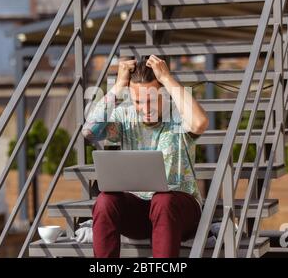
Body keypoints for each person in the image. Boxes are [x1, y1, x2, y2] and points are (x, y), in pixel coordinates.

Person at [82, 55, 209, 257]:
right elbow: (89, 132)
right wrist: (119, 85)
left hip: (179, 212)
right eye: (139, 102)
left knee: (163, 200)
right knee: (105, 200)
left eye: (151, 100)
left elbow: (200, 123)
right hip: (139, 213)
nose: (145, 108)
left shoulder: (177, 114)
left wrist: (167, 78)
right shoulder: (125, 116)